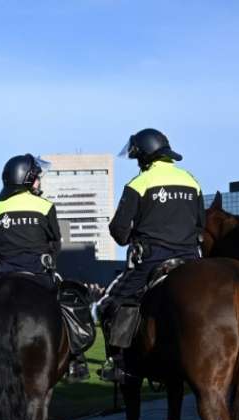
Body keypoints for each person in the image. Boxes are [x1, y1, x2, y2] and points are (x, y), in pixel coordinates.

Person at [98, 128, 204, 381]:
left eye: (137, 157)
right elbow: (201, 224)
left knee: (108, 304)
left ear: (144, 156)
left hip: (151, 260)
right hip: (191, 260)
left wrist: (130, 238)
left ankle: (118, 364)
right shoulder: (191, 180)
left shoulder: (138, 183)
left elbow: (119, 231)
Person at [0, 153, 94, 382]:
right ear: (28, 179)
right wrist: (50, 260)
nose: (39, 182)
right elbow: (56, 241)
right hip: (38, 273)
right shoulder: (45, 206)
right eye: (37, 178)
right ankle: (76, 359)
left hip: (1, 275)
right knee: (67, 308)